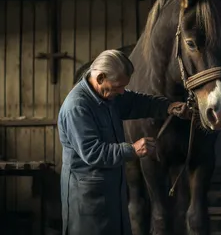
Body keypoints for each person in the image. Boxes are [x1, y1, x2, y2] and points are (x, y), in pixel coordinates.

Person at [57, 49, 191, 235]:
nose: (121, 92)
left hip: (112, 192)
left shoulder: (109, 94)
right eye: (118, 86)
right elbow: (93, 152)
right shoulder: (77, 107)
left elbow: (136, 102)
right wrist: (132, 149)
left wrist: (167, 106)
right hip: (87, 199)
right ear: (101, 77)